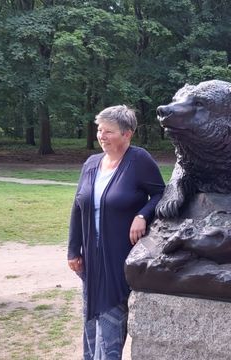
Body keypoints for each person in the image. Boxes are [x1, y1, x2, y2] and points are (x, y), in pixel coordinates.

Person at [67, 105, 165, 359]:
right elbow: (78, 207)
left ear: (127, 134)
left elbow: (160, 194)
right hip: (91, 257)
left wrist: (142, 214)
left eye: (109, 131)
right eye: (100, 130)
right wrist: (72, 250)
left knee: (111, 316)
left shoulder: (139, 160)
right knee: (91, 317)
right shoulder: (91, 164)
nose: (102, 136)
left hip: (119, 257)